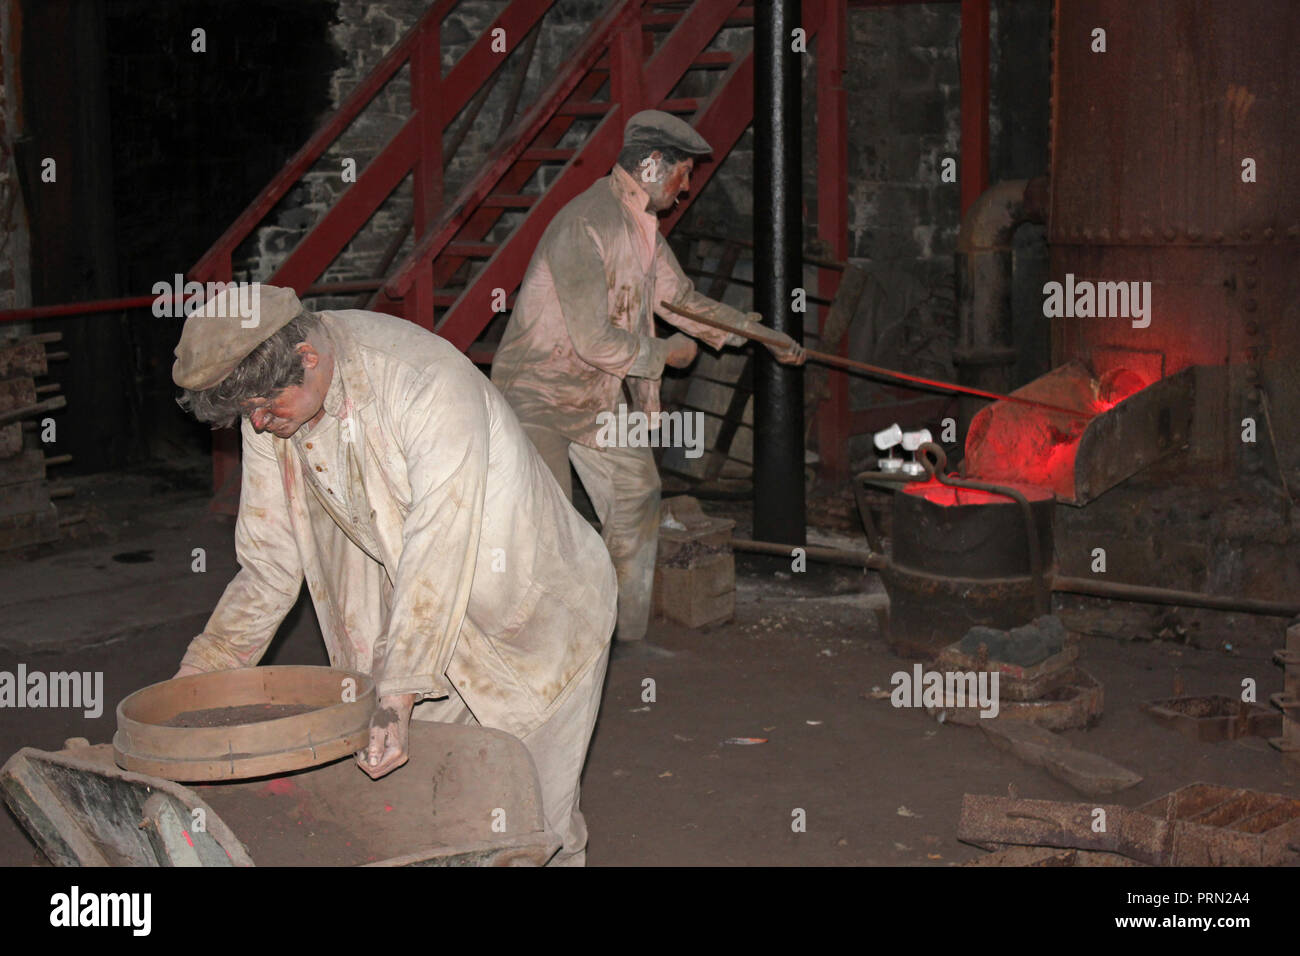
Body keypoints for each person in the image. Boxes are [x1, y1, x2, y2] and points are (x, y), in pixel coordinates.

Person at [171, 283, 616, 865]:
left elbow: (439, 546)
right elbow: (269, 564)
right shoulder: (271, 401)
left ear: (308, 357)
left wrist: (398, 692)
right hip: (423, 628)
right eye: (244, 415)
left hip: (531, 623)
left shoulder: (424, 383)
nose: (254, 425)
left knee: (533, 824)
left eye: (263, 408)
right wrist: (200, 676)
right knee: (431, 814)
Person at [491, 109, 806, 648]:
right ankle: (539, 646)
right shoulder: (584, 224)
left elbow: (679, 299)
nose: (685, 190)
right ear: (654, 165)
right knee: (551, 521)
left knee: (638, 490)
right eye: (684, 174)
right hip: (535, 396)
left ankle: (617, 636)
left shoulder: (642, 231)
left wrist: (757, 333)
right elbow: (593, 340)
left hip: (596, 396)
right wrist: (663, 354)